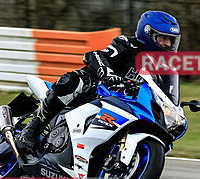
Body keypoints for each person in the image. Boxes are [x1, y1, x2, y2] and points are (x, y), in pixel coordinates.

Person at [17, 10, 181, 153]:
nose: (168, 44)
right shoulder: (128, 45)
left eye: (171, 40)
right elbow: (96, 55)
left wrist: (175, 109)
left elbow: (164, 95)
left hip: (127, 106)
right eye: (163, 39)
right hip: (98, 91)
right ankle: (31, 131)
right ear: (148, 34)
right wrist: (108, 74)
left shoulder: (165, 69)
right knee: (73, 82)